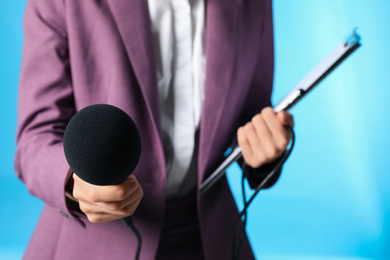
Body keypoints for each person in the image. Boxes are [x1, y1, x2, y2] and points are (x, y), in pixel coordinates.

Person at [15, 0, 294, 259]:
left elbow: (250, 114)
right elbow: (34, 137)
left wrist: (264, 150)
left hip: (212, 237)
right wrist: (75, 185)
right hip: (94, 240)